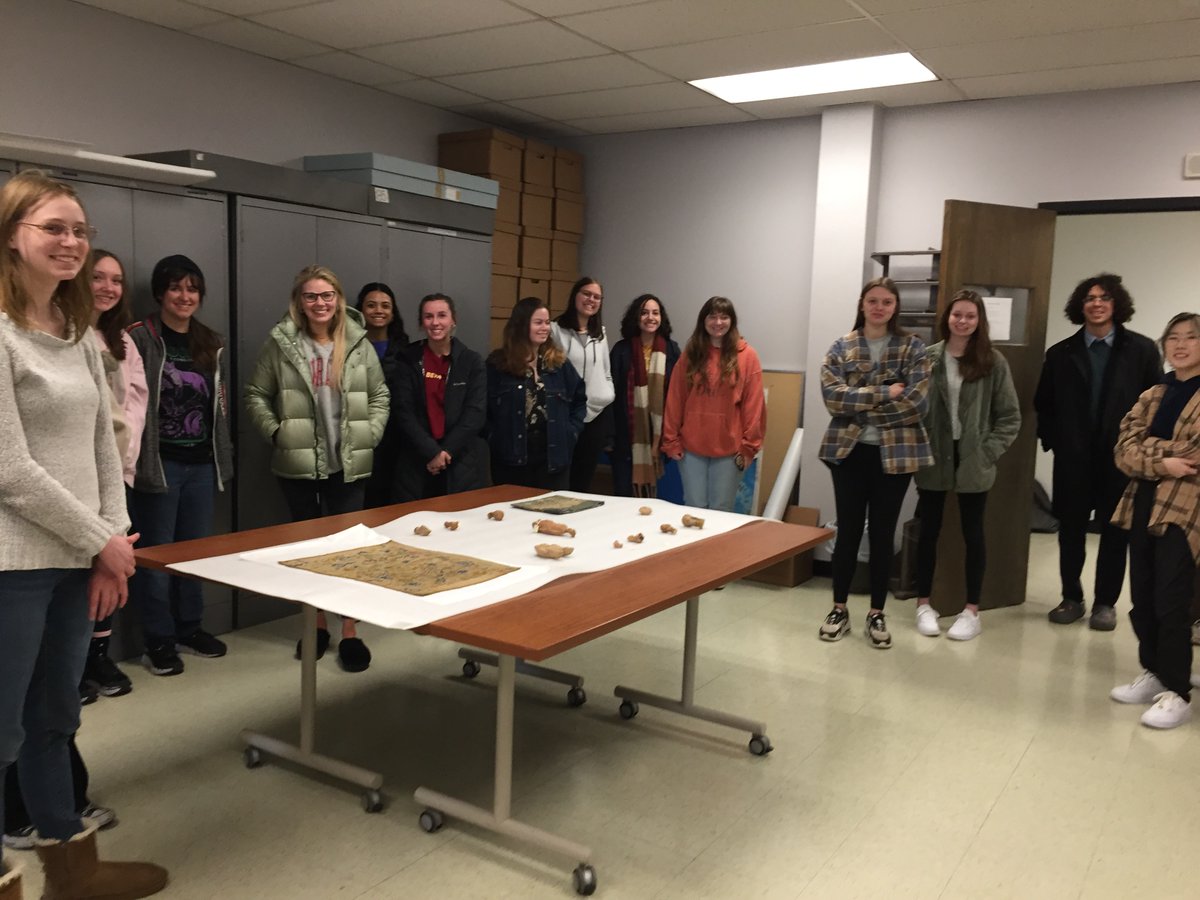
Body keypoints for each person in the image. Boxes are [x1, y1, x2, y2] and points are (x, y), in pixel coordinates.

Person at [0, 170, 166, 898]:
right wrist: (100, 539)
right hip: (15, 562)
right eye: (53, 229)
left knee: (56, 717)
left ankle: (70, 866)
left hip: (83, 556)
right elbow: (9, 469)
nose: (70, 242)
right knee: (2, 729)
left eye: (79, 230)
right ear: (12, 236)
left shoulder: (76, 334)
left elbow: (107, 442)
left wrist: (115, 544)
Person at [245, 265, 389, 673]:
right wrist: (278, 434)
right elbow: (256, 394)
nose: (320, 303)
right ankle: (317, 626)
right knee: (307, 553)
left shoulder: (358, 342)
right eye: (311, 296)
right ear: (300, 302)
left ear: (338, 299)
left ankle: (350, 632)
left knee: (349, 552)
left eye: (327, 295)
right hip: (299, 465)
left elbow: (380, 395)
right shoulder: (282, 344)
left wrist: (370, 434)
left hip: (349, 463)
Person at [1035, 273, 1162, 631]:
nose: (1096, 303)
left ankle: (1106, 603)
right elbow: (1043, 404)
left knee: (1115, 532)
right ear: (1080, 305)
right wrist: (1056, 441)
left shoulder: (1142, 350)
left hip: (1120, 461)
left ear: (1116, 304)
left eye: (1104, 297)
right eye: (1089, 297)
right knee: (1070, 530)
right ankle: (1071, 597)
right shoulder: (1060, 353)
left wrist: (1139, 451)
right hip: (1072, 459)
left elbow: (1154, 403)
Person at [127, 254, 234, 677]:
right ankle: (158, 640)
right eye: (176, 288)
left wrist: (221, 458)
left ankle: (190, 627)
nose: (184, 296)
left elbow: (219, 407)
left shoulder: (210, 341)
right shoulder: (138, 338)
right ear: (160, 293)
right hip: (159, 463)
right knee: (156, 557)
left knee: (193, 554)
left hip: (200, 465)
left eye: (192, 288)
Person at [817, 277, 931, 649]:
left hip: (895, 456)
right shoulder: (841, 346)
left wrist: (862, 407)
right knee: (848, 531)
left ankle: (876, 613)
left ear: (895, 307)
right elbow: (833, 398)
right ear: (862, 305)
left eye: (886, 302)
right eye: (872, 301)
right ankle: (839, 608)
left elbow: (916, 403)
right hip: (849, 454)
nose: (879, 307)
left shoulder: (914, 348)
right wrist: (883, 393)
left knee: (883, 533)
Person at [1108, 312, 1200, 729]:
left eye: (1191, 338)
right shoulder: (1154, 393)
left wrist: (1151, 452)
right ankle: (1154, 672)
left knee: (1171, 599)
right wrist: (1167, 460)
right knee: (1142, 594)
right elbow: (1124, 450)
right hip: (1143, 500)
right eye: (1173, 338)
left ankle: (1178, 692)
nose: (1180, 345)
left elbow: (1195, 457)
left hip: (1186, 509)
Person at [912, 290, 1021, 641]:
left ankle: (971, 611)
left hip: (974, 460)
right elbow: (913, 410)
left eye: (970, 316)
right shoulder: (927, 358)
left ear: (979, 321)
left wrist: (986, 453)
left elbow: (1009, 417)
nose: (962, 321)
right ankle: (924, 605)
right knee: (928, 533)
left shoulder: (993, 361)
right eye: (957, 314)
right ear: (947, 318)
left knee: (974, 535)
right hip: (934, 458)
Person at [83, 249, 148, 699]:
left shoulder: (122, 340)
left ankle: (98, 661)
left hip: (116, 474)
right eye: (98, 278)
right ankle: (72, 667)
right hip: (73, 476)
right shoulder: (63, 333)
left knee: (111, 568)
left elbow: (135, 404)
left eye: (116, 280)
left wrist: (123, 459)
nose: (108, 287)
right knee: (77, 575)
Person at [661, 296, 765, 512]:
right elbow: (675, 398)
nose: (718, 322)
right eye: (713, 317)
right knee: (693, 506)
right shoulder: (692, 353)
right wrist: (671, 440)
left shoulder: (748, 356)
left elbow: (754, 406)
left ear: (732, 321)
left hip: (730, 449)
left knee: (721, 509)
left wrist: (749, 447)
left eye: (724, 317)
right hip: (691, 448)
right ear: (703, 320)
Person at [388, 292, 488, 502]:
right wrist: (431, 452)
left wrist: (446, 452)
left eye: (442, 315)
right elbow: (402, 411)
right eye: (428, 316)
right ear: (421, 322)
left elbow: (475, 413)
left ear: (453, 320)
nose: (435, 322)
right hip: (417, 461)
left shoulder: (471, 361)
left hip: (460, 462)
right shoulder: (407, 359)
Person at [486, 296, 586, 490]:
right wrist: (494, 437)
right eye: (538, 322)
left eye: (547, 322)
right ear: (522, 325)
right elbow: (483, 410)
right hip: (512, 460)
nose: (545, 328)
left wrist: (570, 431)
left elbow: (579, 401)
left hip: (553, 459)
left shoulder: (559, 364)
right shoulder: (498, 364)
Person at [610, 293, 681, 497]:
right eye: (644, 313)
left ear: (661, 318)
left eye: (655, 313)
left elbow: (678, 394)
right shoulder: (621, 350)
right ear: (636, 317)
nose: (650, 317)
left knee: (657, 504)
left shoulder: (672, 350)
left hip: (659, 442)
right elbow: (613, 395)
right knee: (624, 497)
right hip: (626, 438)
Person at [550, 277, 614, 493]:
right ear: (575, 296)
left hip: (597, 415)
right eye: (586, 294)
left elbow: (606, 371)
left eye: (597, 297)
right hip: (567, 414)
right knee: (562, 475)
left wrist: (608, 394)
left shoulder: (601, 334)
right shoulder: (555, 330)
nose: (591, 300)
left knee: (585, 478)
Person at [356, 282, 408, 508]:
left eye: (386, 306)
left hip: (398, 437)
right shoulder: (349, 347)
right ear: (361, 310)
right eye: (371, 305)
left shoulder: (406, 349)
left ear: (393, 312)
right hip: (360, 435)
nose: (379, 310)